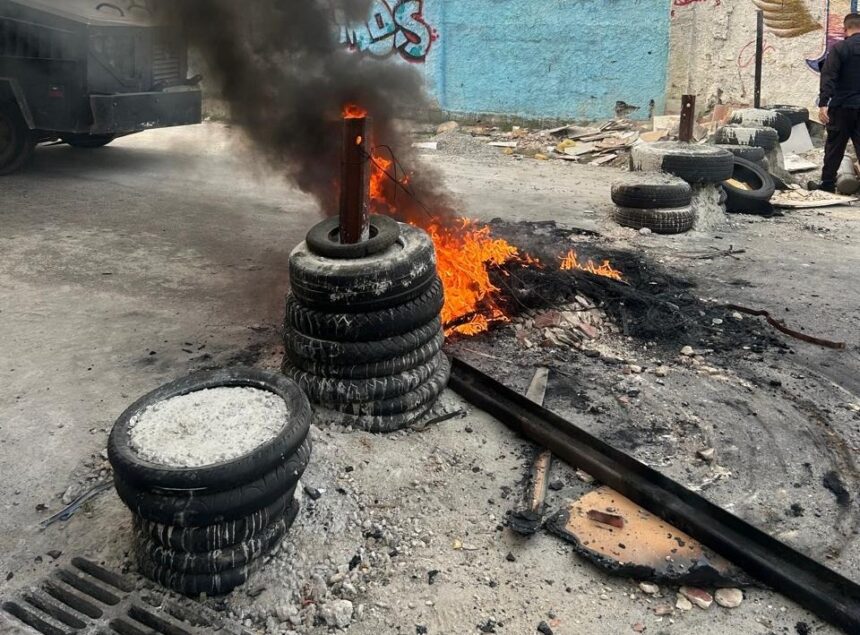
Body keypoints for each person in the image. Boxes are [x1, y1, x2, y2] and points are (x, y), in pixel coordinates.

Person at [816, 13, 860, 192]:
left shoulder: (840, 48)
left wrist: (823, 103)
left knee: (834, 148)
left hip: (842, 107)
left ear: (845, 29)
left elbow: (829, 76)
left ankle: (827, 185)